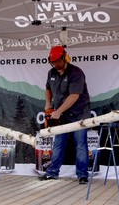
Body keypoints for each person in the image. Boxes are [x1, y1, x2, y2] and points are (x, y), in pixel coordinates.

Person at [39, 45, 90, 184]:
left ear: (65, 58)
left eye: (58, 61)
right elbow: (47, 89)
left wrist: (58, 111)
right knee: (58, 144)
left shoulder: (76, 72)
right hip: (61, 116)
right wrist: (48, 104)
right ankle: (52, 172)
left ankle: (82, 175)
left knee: (80, 145)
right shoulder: (51, 73)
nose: (56, 64)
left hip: (79, 115)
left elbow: (74, 96)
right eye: (53, 62)